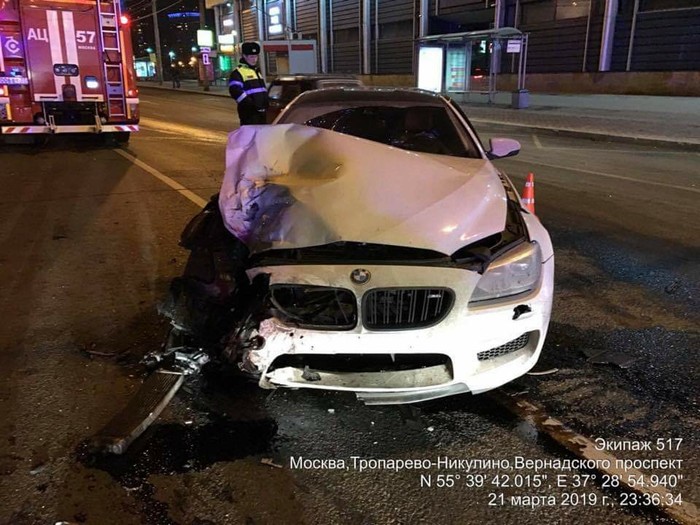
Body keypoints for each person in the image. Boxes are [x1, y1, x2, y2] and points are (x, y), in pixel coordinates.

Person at [228, 42, 268, 125]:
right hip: (249, 115)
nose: (254, 59)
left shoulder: (256, 72)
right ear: (244, 56)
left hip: (261, 114)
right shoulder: (237, 73)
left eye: (256, 56)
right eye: (251, 56)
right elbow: (235, 92)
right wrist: (251, 106)